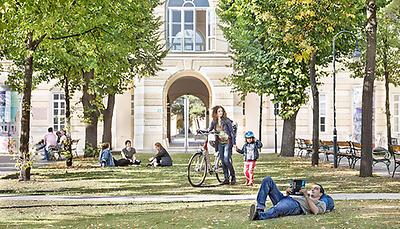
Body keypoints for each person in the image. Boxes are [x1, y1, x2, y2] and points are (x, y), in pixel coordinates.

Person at [249, 176, 335, 221]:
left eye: (316, 188)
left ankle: (259, 216)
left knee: (277, 209)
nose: (313, 189)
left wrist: (306, 196)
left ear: (321, 193)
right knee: (267, 180)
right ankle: (260, 208)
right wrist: (287, 193)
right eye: (312, 188)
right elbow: (288, 197)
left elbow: (316, 211)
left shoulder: (321, 202)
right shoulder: (305, 194)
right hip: (285, 199)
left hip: (296, 205)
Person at [207, 105, 236, 185]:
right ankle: (226, 179)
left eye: (222, 111)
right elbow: (209, 129)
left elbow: (232, 133)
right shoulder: (214, 122)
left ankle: (233, 176)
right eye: (219, 111)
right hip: (219, 142)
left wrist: (234, 143)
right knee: (223, 161)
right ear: (216, 113)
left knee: (226, 159)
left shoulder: (227, 121)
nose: (220, 113)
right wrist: (202, 130)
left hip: (227, 142)